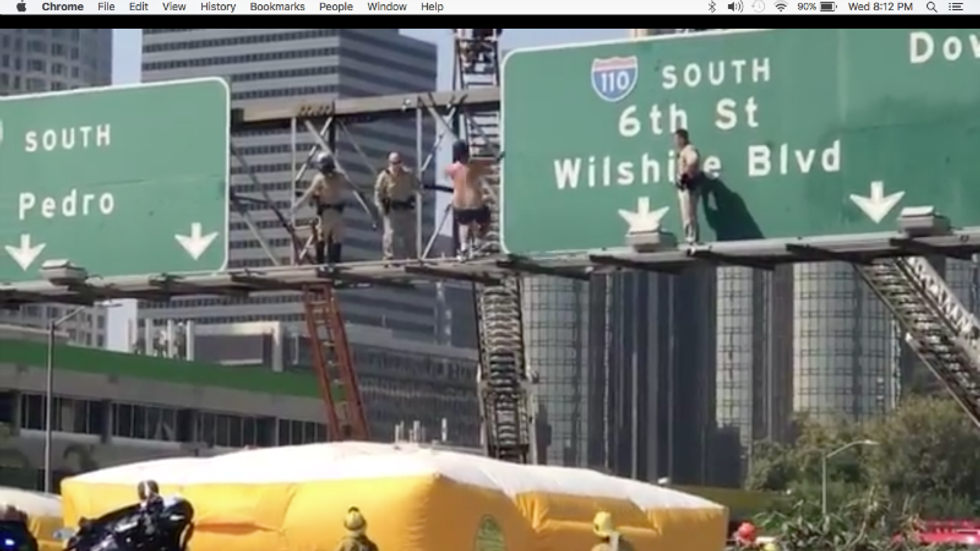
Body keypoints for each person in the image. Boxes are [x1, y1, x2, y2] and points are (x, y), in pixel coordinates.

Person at [296, 152, 352, 264]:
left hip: (337, 212)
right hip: (326, 212)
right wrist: (298, 205)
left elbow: (351, 186)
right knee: (322, 237)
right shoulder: (320, 179)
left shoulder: (339, 177)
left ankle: (335, 262)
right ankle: (321, 262)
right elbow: (310, 193)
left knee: (337, 237)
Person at [446, 140, 493, 258]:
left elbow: (449, 175)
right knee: (485, 219)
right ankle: (477, 243)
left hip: (459, 203)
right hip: (474, 203)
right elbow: (489, 169)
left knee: (464, 224)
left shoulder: (451, 169)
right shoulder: (475, 166)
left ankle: (463, 248)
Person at [375, 152, 420, 261]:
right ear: (390, 163)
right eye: (394, 163)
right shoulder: (384, 176)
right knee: (391, 236)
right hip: (392, 209)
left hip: (406, 208)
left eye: (398, 163)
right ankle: (390, 257)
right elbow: (378, 192)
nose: (396, 166)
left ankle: (411, 257)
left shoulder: (408, 174)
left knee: (410, 235)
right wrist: (380, 206)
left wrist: (420, 193)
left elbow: (417, 185)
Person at [673, 128, 702, 244]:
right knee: (687, 215)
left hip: (689, 188)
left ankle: (692, 239)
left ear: (682, 139)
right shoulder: (682, 151)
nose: (675, 142)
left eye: (677, 139)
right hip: (686, 187)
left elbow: (693, 160)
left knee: (689, 215)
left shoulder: (688, 149)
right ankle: (690, 239)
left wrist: (685, 176)